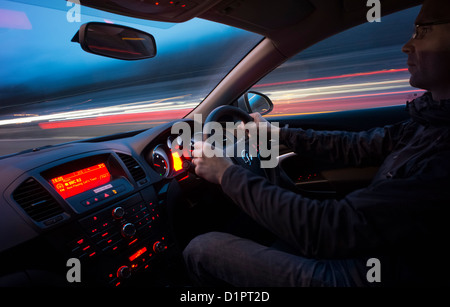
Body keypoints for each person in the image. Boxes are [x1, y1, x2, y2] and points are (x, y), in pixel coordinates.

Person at [184, 0, 450, 287]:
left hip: (374, 275)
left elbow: (325, 231)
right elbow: (359, 146)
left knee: (202, 249)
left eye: (422, 32)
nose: (407, 46)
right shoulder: (431, 120)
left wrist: (225, 173)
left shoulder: (443, 157)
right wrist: (278, 135)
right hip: (375, 254)